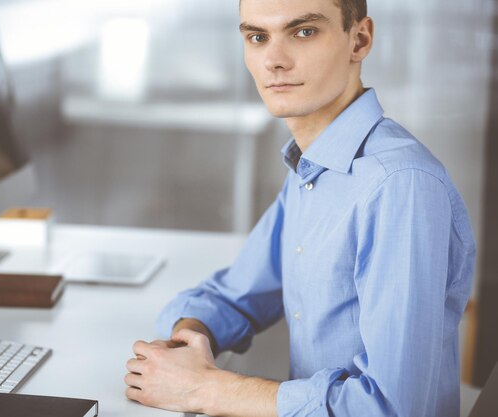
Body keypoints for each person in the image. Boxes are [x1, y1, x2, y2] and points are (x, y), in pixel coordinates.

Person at [125, 0, 476, 415]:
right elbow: (235, 295)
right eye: (257, 37)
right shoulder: (315, 168)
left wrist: (206, 388)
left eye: (303, 32)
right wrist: (192, 336)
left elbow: (391, 409)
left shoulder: (399, 186)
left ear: (359, 40)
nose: (274, 60)